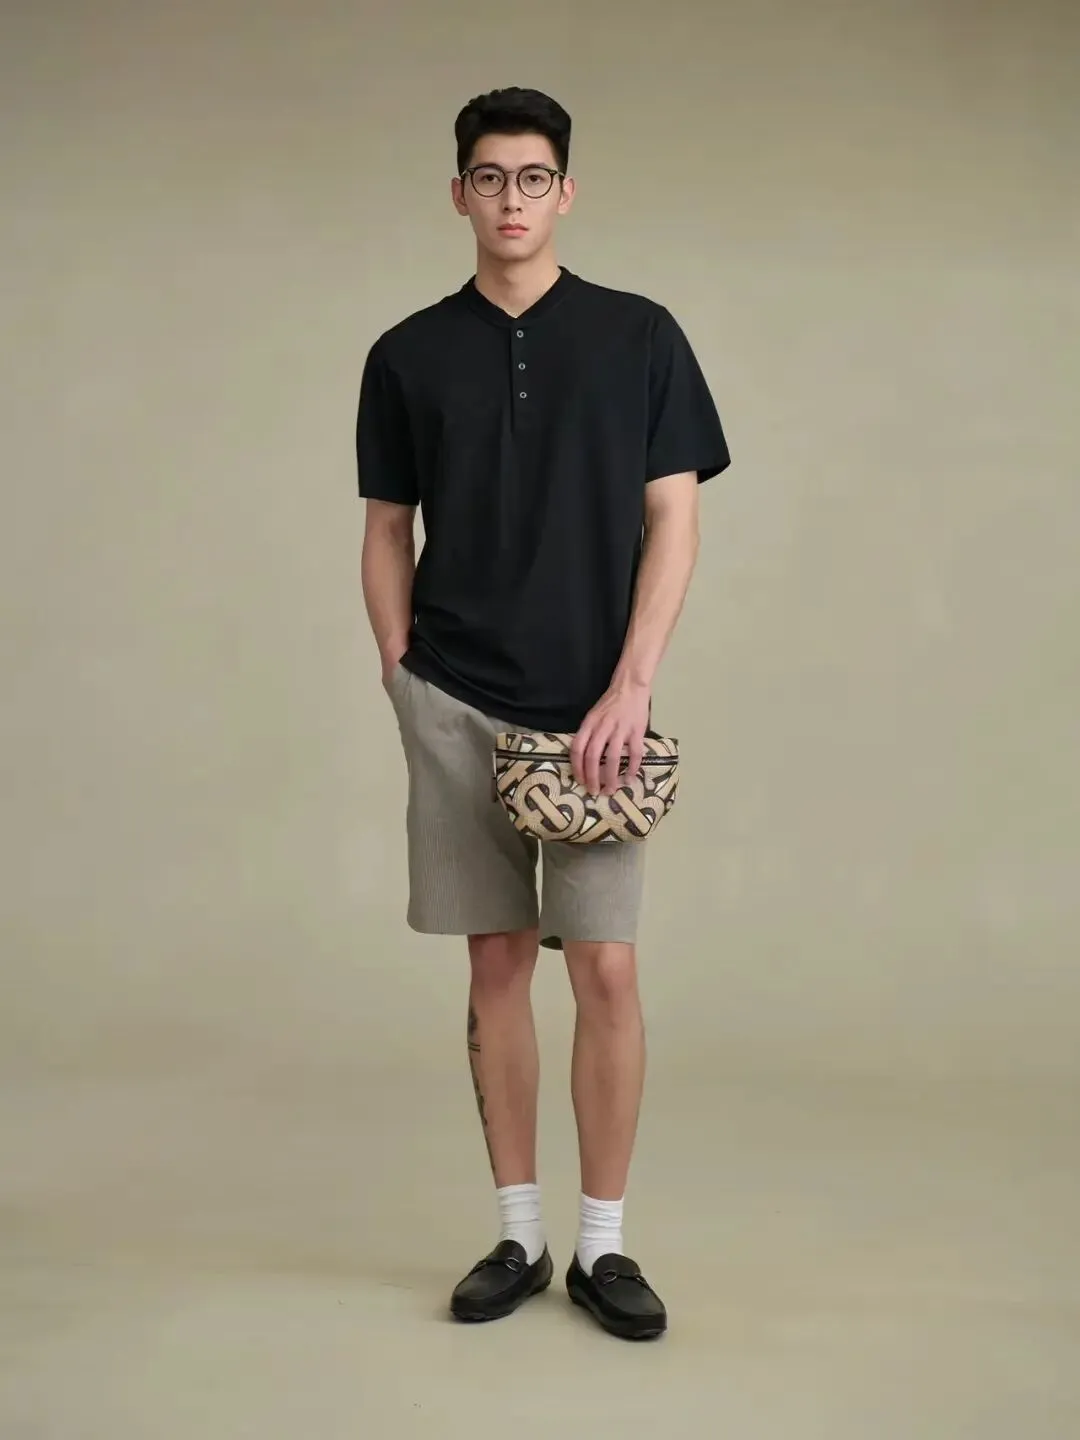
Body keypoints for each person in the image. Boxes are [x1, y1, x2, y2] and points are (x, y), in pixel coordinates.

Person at [356, 86, 730, 1341]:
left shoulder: (640, 336)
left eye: (531, 177)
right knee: (497, 965)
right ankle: (517, 1236)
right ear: (457, 193)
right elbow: (387, 528)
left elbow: (674, 518)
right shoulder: (406, 354)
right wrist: (402, 670)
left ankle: (603, 1249)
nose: (510, 199)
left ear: (565, 191)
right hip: (456, 696)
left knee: (607, 969)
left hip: (594, 716)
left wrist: (633, 682)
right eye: (488, 177)